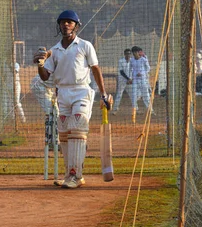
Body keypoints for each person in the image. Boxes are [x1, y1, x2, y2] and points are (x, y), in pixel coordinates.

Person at [34, 10, 110, 189]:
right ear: (59, 26)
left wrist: (104, 93)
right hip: (63, 93)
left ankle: (76, 176)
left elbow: (96, 69)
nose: (66, 25)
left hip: (81, 91)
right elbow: (45, 77)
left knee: (77, 128)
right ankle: (70, 174)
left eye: (70, 22)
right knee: (65, 135)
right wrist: (40, 64)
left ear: (76, 25)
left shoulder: (85, 45)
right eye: (63, 22)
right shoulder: (54, 51)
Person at [131, 45, 152, 119]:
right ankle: (134, 110)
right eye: (133, 53)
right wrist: (130, 77)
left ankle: (150, 110)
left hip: (143, 79)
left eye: (135, 52)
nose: (134, 54)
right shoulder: (132, 60)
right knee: (133, 95)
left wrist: (142, 73)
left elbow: (148, 69)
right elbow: (130, 69)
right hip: (135, 79)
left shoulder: (143, 59)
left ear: (138, 52)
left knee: (146, 94)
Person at [112, 48, 134, 114]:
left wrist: (131, 79)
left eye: (129, 54)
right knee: (119, 94)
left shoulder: (132, 61)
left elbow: (133, 71)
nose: (128, 55)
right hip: (122, 80)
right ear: (124, 54)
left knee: (132, 94)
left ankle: (136, 108)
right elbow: (121, 72)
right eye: (127, 54)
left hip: (129, 80)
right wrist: (128, 79)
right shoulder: (121, 61)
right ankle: (115, 109)